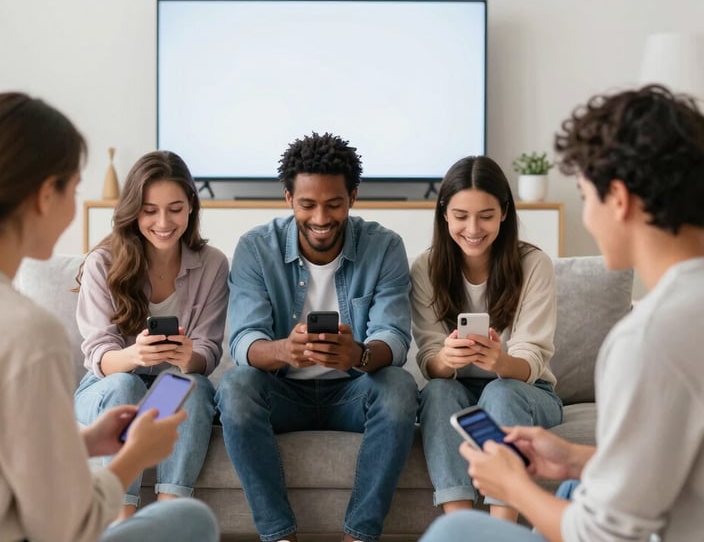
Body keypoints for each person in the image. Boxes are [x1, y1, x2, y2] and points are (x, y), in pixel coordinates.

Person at [418, 83, 704, 542]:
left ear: (618, 198)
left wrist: (513, 485)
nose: (587, 218)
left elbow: (606, 532)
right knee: (570, 486)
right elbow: (671, 469)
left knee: (452, 533)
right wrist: (575, 459)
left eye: (585, 197)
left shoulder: (648, 338)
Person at [0, 92, 218, 541]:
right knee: (195, 522)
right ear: (48, 195)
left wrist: (84, 444)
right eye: (74, 186)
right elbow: (67, 524)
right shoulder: (25, 332)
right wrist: (133, 455)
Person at [214, 132, 419, 542]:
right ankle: (279, 536)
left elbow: (393, 337)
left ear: (353, 197)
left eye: (334, 204)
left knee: (399, 386)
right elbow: (243, 341)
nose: (321, 218)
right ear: (288, 198)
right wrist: (284, 350)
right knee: (236, 386)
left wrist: (358, 356)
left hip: (353, 395)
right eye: (308, 204)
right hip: (282, 395)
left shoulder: (384, 246)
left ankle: (359, 535)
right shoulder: (256, 248)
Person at [74, 150, 229, 519]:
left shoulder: (212, 264)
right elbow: (100, 355)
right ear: (134, 210)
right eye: (150, 210)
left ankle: (166, 521)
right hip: (108, 384)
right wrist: (136, 356)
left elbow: (207, 352)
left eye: (175, 208)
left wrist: (188, 356)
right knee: (127, 387)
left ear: (191, 206)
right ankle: (122, 522)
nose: (163, 221)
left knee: (192, 385)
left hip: (167, 386)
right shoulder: (104, 262)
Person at [410, 155, 563, 521]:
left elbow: (532, 359)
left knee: (501, 390)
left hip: (528, 392)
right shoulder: (425, 269)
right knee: (437, 391)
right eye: (461, 216)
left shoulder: (533, 265)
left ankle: (500, 530)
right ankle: (459, 524)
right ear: (444, 214)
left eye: (486, 215)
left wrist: (501, 361)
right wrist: (445, 360)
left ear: (505, 213)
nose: (473, 228)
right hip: (458, 391)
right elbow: (430, 359)